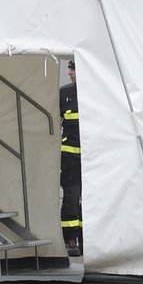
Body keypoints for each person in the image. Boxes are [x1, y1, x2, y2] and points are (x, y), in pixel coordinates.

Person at [59, 60, 83, 257]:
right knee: (71, 199)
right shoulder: (64, 94)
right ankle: (70, 239)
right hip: (70, 159)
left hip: (93, 157)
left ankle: (86, 238)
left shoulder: (97, 94)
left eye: (73, 69)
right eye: (69, 68)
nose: (69, 73)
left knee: (93, 200)